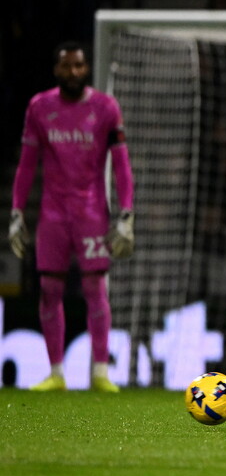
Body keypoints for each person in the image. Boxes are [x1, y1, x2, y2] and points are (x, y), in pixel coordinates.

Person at [8, 41, 135, 392]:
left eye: (78, 65)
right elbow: (26, 165)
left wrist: (126, 212)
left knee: (95, 287)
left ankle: (100, 372)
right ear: (56, 69)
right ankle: (56, 373)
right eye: (66, 66)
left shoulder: (105, 107)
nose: (73, 72)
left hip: (91, 212)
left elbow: (122, 165)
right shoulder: (39, 107)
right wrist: (17, 211)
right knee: (49, 289)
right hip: (53, 214)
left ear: (87, 68)